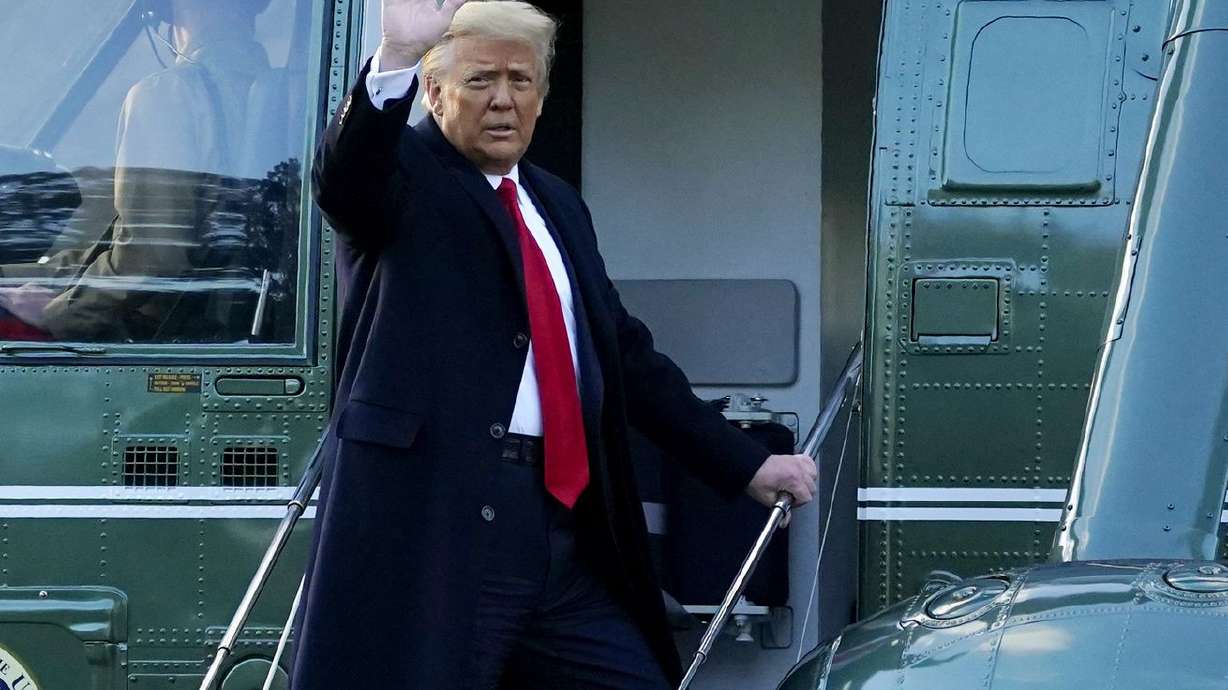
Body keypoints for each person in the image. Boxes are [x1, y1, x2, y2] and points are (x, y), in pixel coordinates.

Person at [292, 1, 818, 688]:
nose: (504, 100)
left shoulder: (557, 203)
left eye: (522, 80)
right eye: (481, 80)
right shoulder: (403, 175)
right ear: (435, 90)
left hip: (557, 534)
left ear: (542, 98)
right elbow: (345, 179)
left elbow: (625, 356)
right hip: (440, 531)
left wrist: (747, 465)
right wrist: (395, 54)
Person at [0, 0, 272, 341]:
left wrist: (60, 313)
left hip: (167, 336)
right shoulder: (281, 92)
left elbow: (153, 255)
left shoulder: (170, 93)